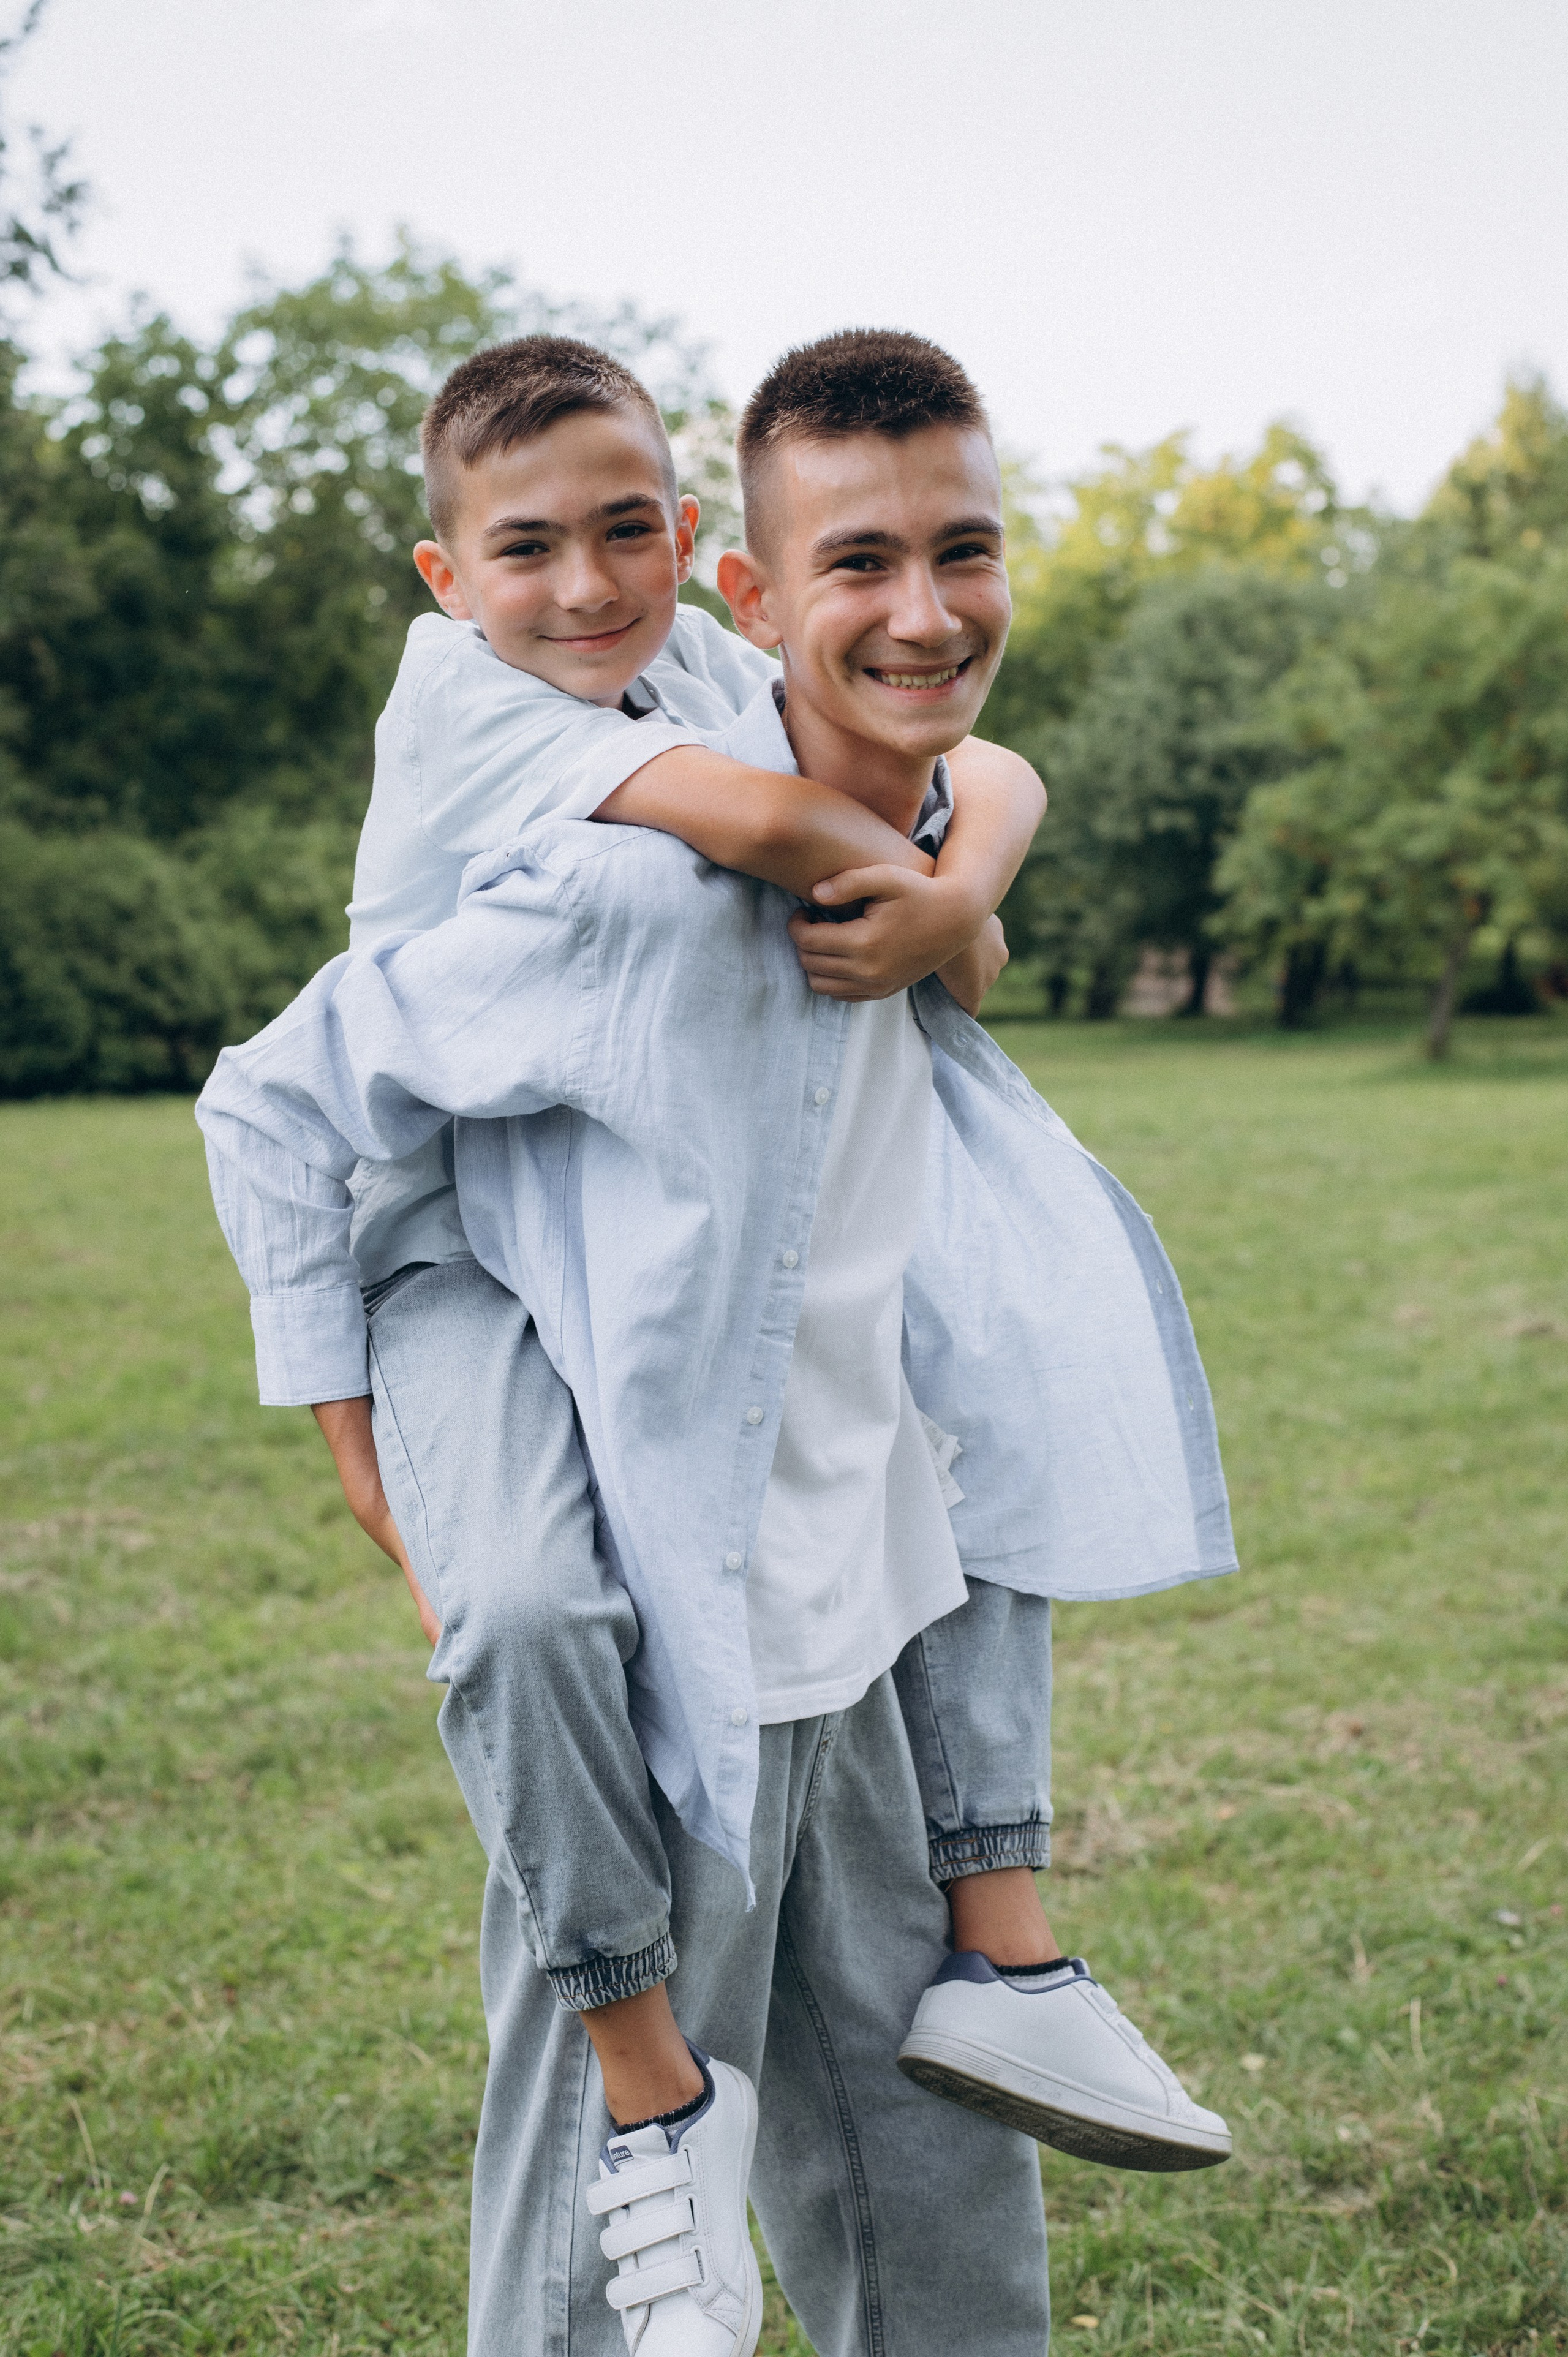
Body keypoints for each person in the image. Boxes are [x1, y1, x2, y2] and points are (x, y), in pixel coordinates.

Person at [199, 330, 1237, 2355]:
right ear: (768, 600)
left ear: (689, 567)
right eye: (860, 567)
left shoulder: (883, 813)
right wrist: (345, 1431)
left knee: (924, 2165)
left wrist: (962, 899)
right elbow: (287, 1094)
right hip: (663, 1581)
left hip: (862, 1574)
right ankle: (654, 2081)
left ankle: (1011, 1964)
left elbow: (972, 779)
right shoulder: (603, 870)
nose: (922, 616)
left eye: (963, 558)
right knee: (620, 2234)